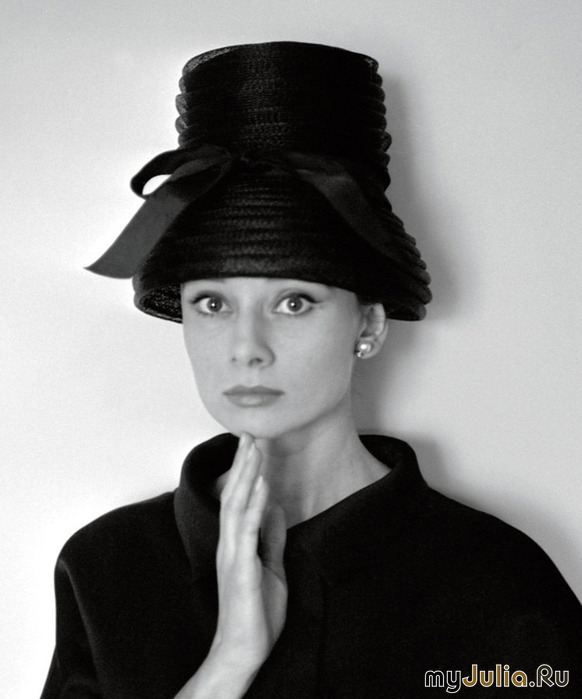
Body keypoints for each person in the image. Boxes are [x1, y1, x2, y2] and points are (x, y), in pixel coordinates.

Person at [41, 41, 582, 698]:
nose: (247, 347)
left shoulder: (497, 581)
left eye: (294, 302)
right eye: (212, 303)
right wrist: (229, 662)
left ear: (368, 325)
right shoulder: (106, 568)